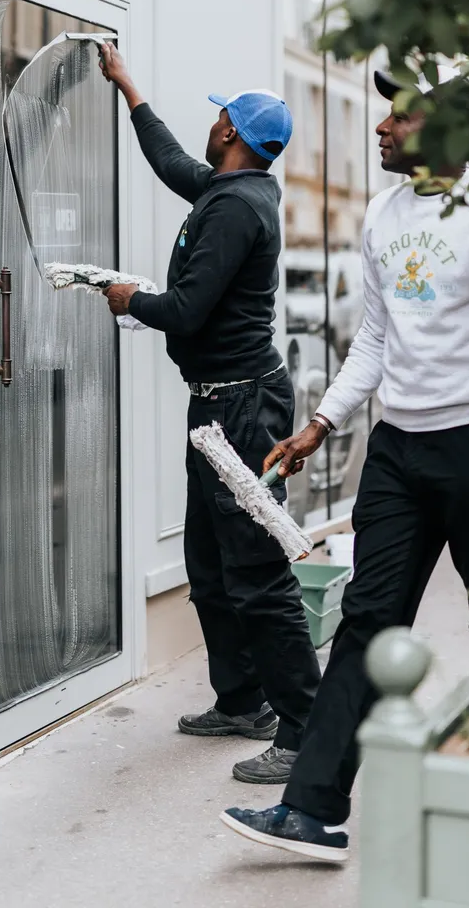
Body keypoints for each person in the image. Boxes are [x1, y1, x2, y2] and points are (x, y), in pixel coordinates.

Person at [220, 69, 469, 861]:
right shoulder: (383, 214)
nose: (383, 130)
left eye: (403, 120)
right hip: (397, 450)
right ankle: (311, 809)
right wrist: (322, 421)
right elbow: (376, 340)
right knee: (365, 621)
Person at [97, 43, 321, 784]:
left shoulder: (234, 209)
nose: (213, 121)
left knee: (256, 572)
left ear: (229, 132)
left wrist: (132, 301)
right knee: (210, 562)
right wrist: (130, 88)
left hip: (242, 413)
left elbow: (188, 312)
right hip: (221, 409)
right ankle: (242, 701)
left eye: (220, 113)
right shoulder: (235, 192)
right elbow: (172, 166)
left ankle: (303, 730)